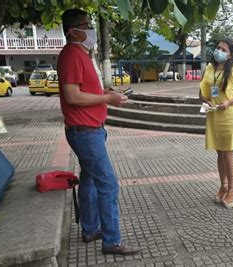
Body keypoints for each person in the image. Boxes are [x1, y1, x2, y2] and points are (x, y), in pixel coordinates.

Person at [58, 8, 139, 255]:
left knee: (90, 180)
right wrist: (107, 98)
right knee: (109, 185)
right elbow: (72, 96)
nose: (90, 28)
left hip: (90, 130)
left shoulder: (81, 53)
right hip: (85, 132)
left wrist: (107, 93)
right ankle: (111, 240)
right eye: (86, 24)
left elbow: (85, 89)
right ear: (74, 31)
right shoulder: (72, 54)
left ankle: (91, 229)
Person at [199, 38, 233, 208]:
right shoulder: (210, 68)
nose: (219, 51)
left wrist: (229, 103)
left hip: (231, 115)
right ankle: (222, 186)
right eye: (217, 47)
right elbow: (203, 92)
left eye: (223, 49)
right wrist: (205, 100)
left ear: (231, 54)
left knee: (228, 153)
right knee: (220, 153)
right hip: (214, 115)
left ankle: (232, 189)